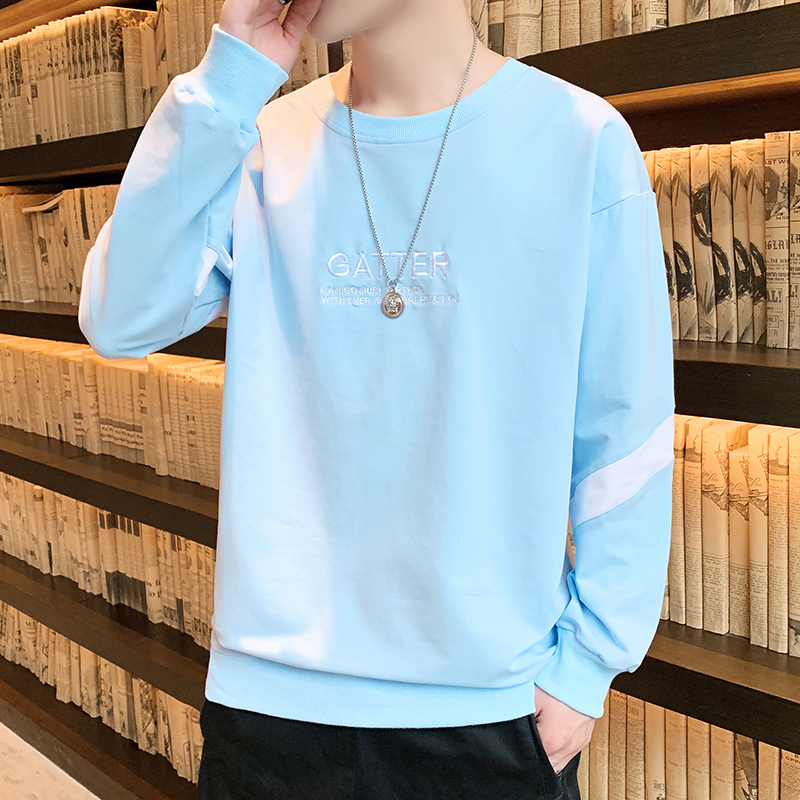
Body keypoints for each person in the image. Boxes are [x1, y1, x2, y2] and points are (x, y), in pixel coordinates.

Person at [78, 0, 676, 796]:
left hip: (490, 707)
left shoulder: (578, 140)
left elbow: (625, 425)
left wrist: (588, 664)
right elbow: (120, 316)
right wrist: (227, 79)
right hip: (271, 703)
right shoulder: (260, 141)